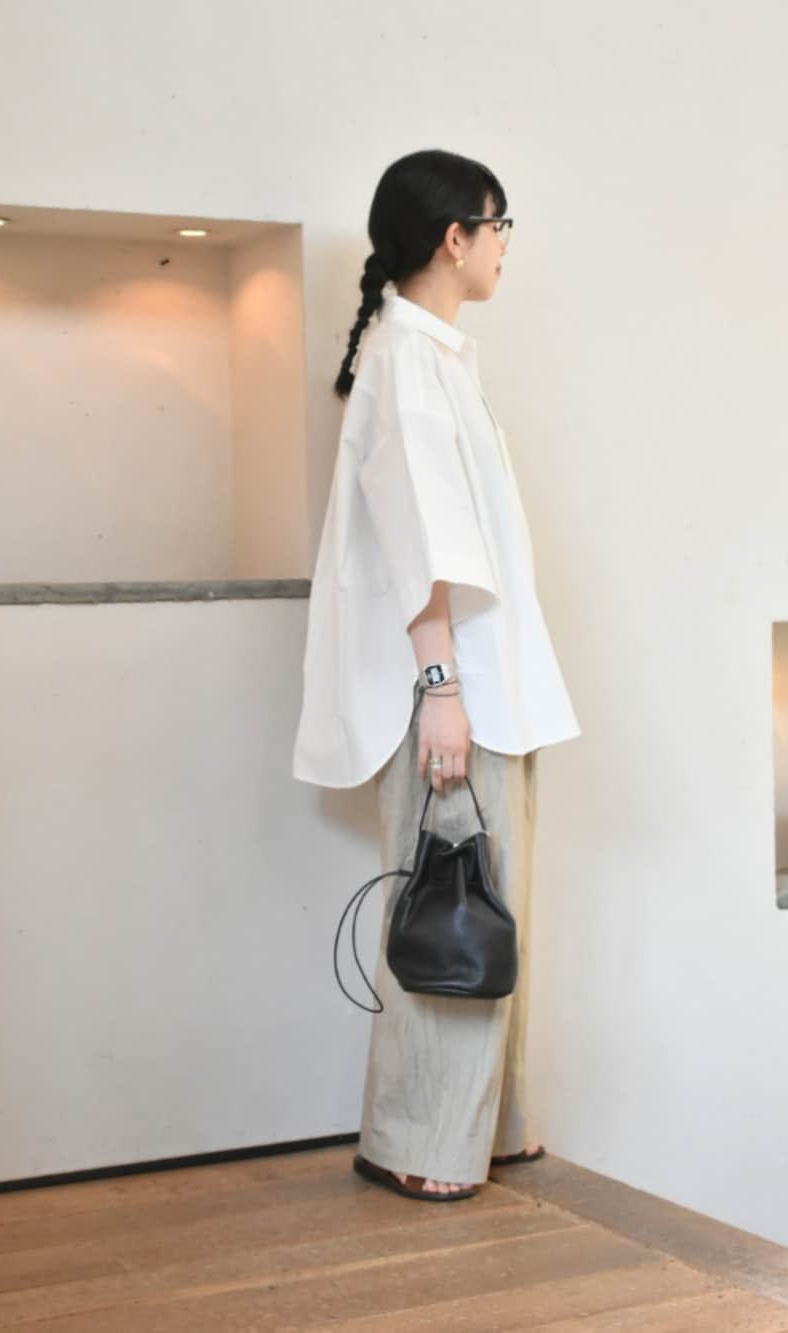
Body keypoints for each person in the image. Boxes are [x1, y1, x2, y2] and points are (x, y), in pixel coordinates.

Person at [293, 148, 580, 1200]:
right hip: (458, 691)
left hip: (490, 688)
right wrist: (441, 691)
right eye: (498, 226)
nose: (505, 246)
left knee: (485, 908)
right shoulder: (408, 359)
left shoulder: (433, 354)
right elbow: (420, 545)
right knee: (450, 909)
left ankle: (486, 1127)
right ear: (455, 238)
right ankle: (415, 1143)